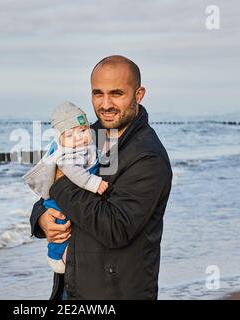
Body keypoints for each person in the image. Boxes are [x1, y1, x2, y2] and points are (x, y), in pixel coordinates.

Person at [30, 55, 172, 300]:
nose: (105, 104)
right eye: (98, 93)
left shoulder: (148, 157)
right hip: (71, 286)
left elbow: (116, 228)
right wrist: (41, 219)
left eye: (116, 93)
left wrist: (61, 182)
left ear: (138, 95)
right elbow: (46, 187)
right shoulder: (86, 136)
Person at [23, 101, 108, 274]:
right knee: (61, 226)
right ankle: (55, 256)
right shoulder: (67, 154)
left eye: (82, 131)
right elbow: (75, 173)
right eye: (69, 135)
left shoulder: (95, 143)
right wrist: (40, 218)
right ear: (60, 138)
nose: (78, 138)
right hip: (58, 204)